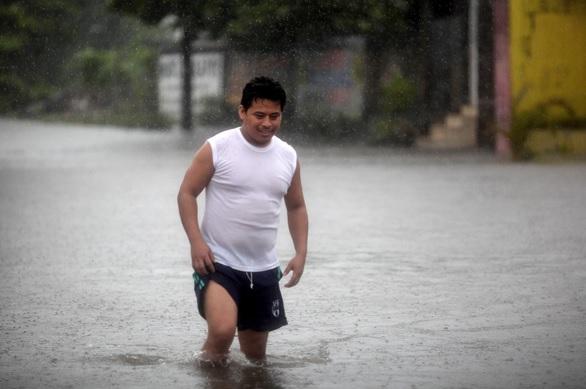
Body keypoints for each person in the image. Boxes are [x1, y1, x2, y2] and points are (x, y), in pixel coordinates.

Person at [177, 76, 308, 364]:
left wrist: (300, 253)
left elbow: (296, 206)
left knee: (255, 358)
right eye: (259, 115)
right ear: (242, 112)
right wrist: (196, 243)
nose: (267, 123)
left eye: (274, 116)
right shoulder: (217, 147)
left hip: (263, 269)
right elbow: (187, 193)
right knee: (222, 332)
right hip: (218, 263)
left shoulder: (288, 156)